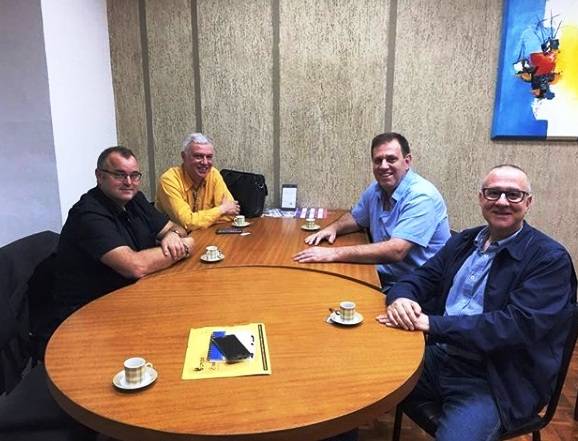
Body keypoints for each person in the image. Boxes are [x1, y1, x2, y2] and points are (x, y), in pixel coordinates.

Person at [380, 164, 577, 440]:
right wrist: (401, 297)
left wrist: (432, 324)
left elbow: (513, 327)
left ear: (528, 202)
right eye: (493, 193)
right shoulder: (465, 240)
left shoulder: (549, 259)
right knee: (356, 383)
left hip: (496, 380)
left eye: (514, 195)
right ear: (481, 198)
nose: (502, 201)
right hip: (441, 356)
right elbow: (420, 277)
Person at [52, 146, 194, 323]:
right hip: (88, 313)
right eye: (119, 175)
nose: (129, 182)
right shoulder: (87, 215)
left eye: (134, 175)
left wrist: (172, 235)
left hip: (132, 295)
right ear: (99, 176)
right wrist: (185, 247)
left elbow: (177, 228)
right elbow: (135, 266)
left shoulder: (135, 199)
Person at [293, 132, 450, 291]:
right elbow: (356, 218)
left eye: (391, 159)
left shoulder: (422, 196)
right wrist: (333, 228)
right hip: (382, 276)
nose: (383, 166)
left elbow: (396, 250)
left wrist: (332, 254)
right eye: (378, 160)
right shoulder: (376, 189)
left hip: (417, 287)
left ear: (407, 161)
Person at [155, 132, 240, 231]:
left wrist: (199, 221)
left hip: (204, 234)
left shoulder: (213, 174)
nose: (205, 162)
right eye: (198, 156)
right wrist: (222, 209)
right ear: (183, 157)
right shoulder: (169, 180)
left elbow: (232, 214)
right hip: (174, 238)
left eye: (209, 157)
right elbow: (187, 223)